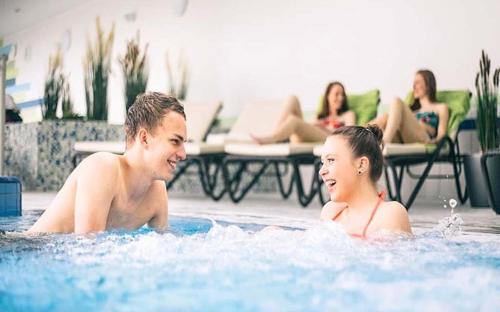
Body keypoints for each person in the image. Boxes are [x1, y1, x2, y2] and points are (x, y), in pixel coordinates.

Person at [28, 92, 187, 234]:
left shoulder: (157, 192)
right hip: (31, 248)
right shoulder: (103, 167)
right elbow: (86, 250)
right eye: (175, 141)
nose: (183, 154)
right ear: (144, 138)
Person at [319, 125, 412, 238]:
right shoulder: (330, 213)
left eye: (331, 160)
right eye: (323, 162)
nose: (321, 171)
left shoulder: (389, 214)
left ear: (361, 165)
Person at [252, 82, 356, 144]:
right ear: (328, 96)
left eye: (342, 94)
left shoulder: (347, 114)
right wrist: (316, 124)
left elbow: (349, 136)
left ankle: (271, 138)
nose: (341, 98)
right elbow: (309, 128)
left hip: (328, 138)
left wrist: (326, 127)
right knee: (293, 99)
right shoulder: (320, 115)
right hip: (304, 137)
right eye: (337, 94)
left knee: (293, 120)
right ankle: (275, 133)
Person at [369, 69, 449, 146]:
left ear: (428, 84)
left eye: (417, 82)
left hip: (424, 138)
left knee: (397, 100)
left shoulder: (441, 107)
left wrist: (435, 143)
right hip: (404, 138)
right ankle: (361, 134)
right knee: (386, 117)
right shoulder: (413, 110)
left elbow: (442, 133)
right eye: (413, 83)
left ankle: (385, 142)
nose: (414, 86)